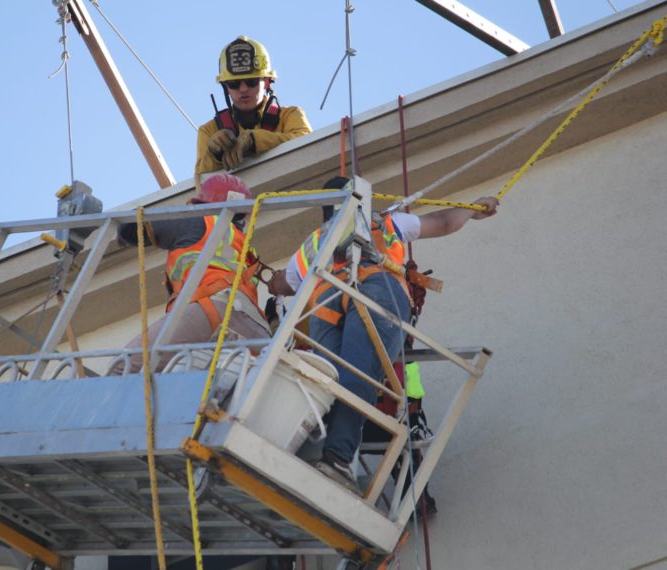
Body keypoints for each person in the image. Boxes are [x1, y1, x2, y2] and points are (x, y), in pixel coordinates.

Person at [267, 177, 499, 490]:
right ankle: (336, 458)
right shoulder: (386, 222)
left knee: (328, 381)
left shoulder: (313, 242)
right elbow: (443, 222)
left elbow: (283, 285)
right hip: (376, 291)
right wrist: (472, 211)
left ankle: (319, 454)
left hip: (324, 305)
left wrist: (267, 279)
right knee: (360, 373)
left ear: (326, 211)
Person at [108, 174, 270, 375]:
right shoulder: (243, 247)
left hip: (211, 312)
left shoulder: (199, 219)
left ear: (204, 202)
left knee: (123, 368)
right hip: (254, 328)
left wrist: (122, 231)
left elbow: (135, 228)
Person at [194, 36, 312, 183]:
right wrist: (214, 154)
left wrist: (254, 140)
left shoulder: (291, 116)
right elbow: (201, 185)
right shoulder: (209, 131)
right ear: (226, 87)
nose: (243, 89)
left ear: (267, 82)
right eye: (234, 84)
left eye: (251, 82)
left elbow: (307, 146)